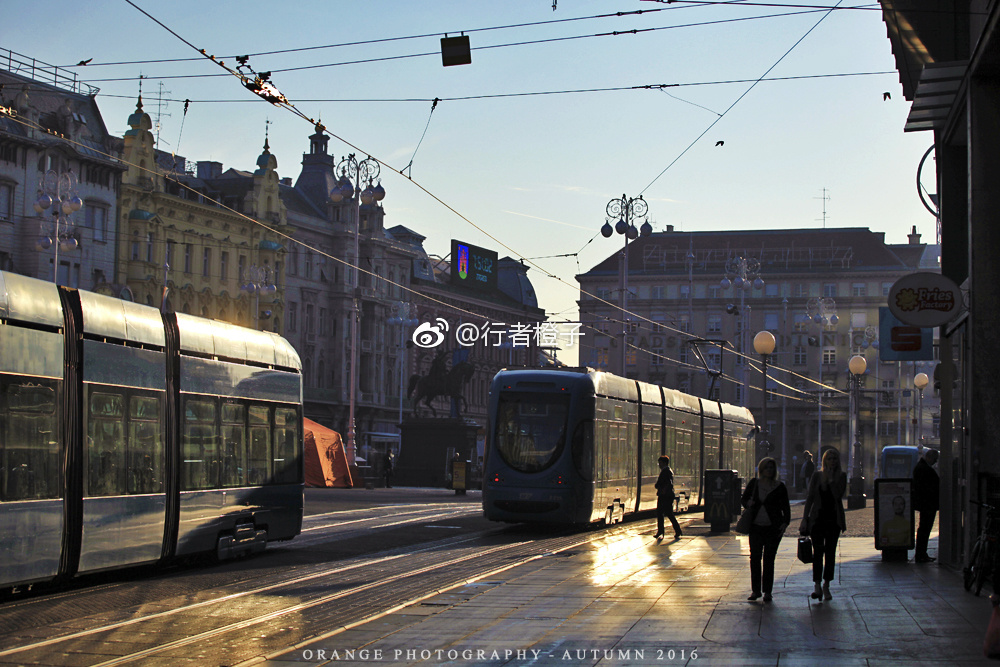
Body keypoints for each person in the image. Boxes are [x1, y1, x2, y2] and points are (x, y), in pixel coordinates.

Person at [741, 457, 791, 602]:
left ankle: (767, 591)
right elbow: (743, 499)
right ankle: (756, 590)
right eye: (767, 467)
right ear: (762, 469)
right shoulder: (754, 483)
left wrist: (785, 522)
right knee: (755, 558)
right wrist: (747, 503)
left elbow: (785, 507)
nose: (769, 470)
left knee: (769, 559)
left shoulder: (779, 486)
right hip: (755, 526)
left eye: (771, 468)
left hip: (773, 528)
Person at [800, 448, 847, 601]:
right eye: (830, 458)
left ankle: (827, 584)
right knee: (818, 552)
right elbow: (810, 498)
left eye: (835, 459)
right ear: (825, 461)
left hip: (834, 519)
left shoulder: (841, 476)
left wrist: (832, 479)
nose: (832, 461)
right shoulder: (817, 476)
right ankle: (817, 584)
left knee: (830, 553)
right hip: (817, 519)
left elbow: (838, 495)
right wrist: (805, 518)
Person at [912, 448, 940, 563]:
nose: (935, 462)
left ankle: (921, 553)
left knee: (924, 528)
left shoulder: (921, 467)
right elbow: (930, 487)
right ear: (929, 457)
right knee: (925, 529)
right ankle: (921, 553)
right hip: (928, 503)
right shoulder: (925, 469)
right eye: (935, 459)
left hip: (925, 503)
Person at [654, 455, 682, 541]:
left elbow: (665, 483)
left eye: (660, 463)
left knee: (661, 513)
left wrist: (660, 488)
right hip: (668, 495)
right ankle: (677, 530)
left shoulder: (665, 471)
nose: (659, 464)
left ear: (664, 463)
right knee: (668, 513)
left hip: (665, 495)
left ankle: (661, 531)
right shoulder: (668, 471)